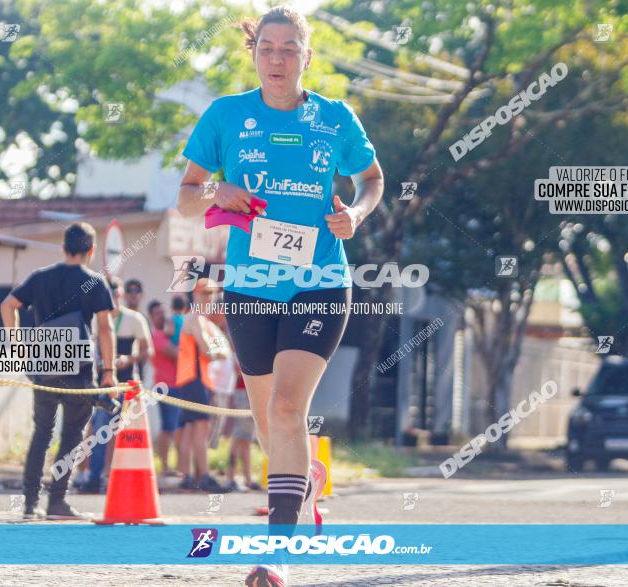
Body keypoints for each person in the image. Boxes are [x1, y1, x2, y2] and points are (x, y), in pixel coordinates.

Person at [177, 6, 384, 585]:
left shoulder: (335, 119)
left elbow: (372, 179)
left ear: (306, 56)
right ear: (254, 54)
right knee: (272, 425)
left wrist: (357, 216)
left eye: (288, 48)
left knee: (289, 409)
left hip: (320, 282)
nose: (276, 58)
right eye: (266, 47)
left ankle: (275, 553)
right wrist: (222, 189)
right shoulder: (225, 117)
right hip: (249, 288)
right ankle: (307, 482)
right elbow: (187, 198)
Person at [0, 222, 117, 520]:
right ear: (91, 250)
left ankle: (29, 503)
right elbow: (104, 328)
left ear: (63, 248)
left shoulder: (40, 278)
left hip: (44, 363)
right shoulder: (94, 281)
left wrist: (17, 344)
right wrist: (109, 371)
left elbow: (7, 305)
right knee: (72, 434)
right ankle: (57, 502)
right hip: (79, 368)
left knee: (41, 432)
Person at [84, 276, 152, 493]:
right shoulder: (96, 318)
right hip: (103, 382)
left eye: (116, 293)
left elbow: (147, 350)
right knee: (99, 429)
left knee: (126, 432)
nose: (113, 297)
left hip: (127, 384)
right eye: (109, 293)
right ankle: (94, 477)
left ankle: (123, 480)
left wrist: (128, 359)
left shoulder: (134, 319)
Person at [174, 278, 229, 493]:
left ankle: (187, 475)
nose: (209, 297)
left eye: (212, 293)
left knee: (190, 427)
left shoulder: (201, 320)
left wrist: (219, 352)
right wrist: (219, 354)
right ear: (195, 295)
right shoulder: (195, 318)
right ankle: (202, 475)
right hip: (194, 378)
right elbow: (209, 350)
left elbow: (218, 349)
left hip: (193, 378)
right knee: (201, 426)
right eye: (205, 293)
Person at [148, 299, 182, 480]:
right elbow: (177, 354)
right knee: (168, 428)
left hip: (175, 385)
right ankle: (165, 466)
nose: (162, 316)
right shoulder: (157, 336)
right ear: (152, 317)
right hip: (165, 386)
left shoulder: (168, 334)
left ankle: (171, 466)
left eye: (163, 312)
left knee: (174, 428)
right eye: (157, 313)